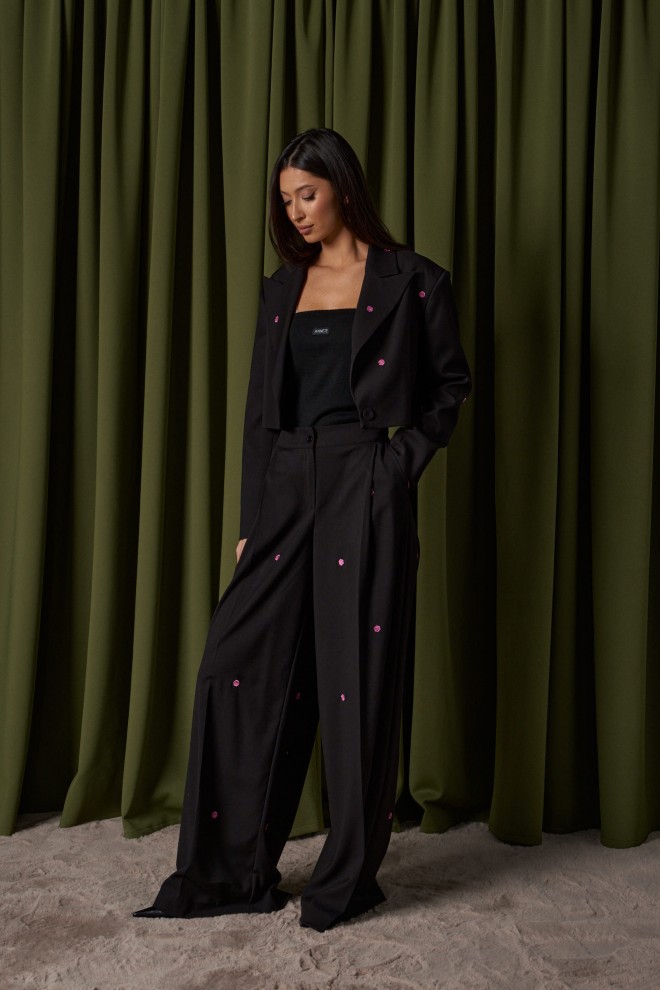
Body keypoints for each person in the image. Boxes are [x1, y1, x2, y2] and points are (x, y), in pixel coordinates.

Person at [133, 127, 471, 932]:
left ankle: (344, 880)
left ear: (343, 188)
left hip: (365, 480)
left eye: (307, 194)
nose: (295, 212)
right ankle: (229, 872)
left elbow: (450, 387)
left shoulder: (413, 281)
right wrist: (251, 521)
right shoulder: (281, 289)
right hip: (286, 483)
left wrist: (395, 465)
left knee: (356, 679)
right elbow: (260, 414)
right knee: (233, 665)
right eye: (286, 200)